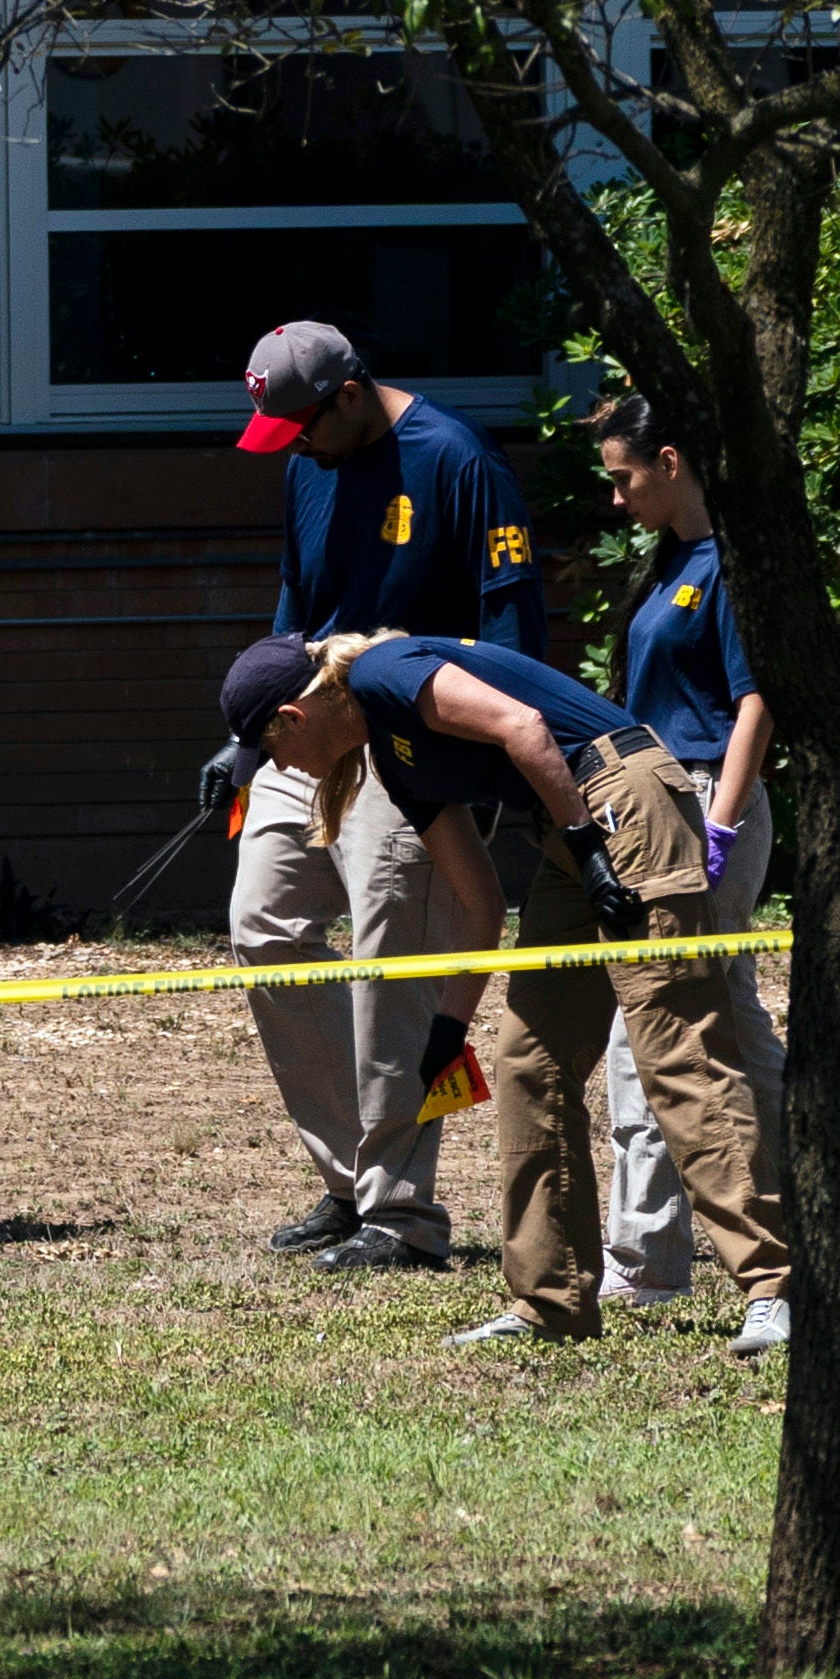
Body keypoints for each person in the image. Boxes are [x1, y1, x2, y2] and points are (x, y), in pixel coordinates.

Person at [215, 621, 793, 1359]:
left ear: (291, 718)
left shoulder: (386, 671)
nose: (280, 767)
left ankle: (775, 1286)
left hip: (624, 798)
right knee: (529, 1062)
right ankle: (551, 1300)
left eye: (270, 750)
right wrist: (449, 1030)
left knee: (676, 1050)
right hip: (574, 824)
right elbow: (481, 901)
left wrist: (590, 849)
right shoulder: (393, 761)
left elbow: (523, 726)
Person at [231, 321, 543, 1277]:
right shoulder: (307, 461)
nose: (295, 449)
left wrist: (488, 767)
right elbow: (296, 597)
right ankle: (351, 1175)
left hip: (410, 734)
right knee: (263, 925)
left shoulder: (457, 459)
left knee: (392, 967)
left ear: (352, 395)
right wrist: (251, 736)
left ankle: (403, 1215)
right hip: (310, 728)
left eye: (303, 428)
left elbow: (510, 624)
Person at [587, 399, 786, 1320]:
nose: (618, 496)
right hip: (654, 801)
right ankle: (806, 1208)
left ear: (670, 461)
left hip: (702, 799)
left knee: (652, 1021)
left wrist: (723, 820)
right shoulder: (669, 562)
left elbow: (756, 703)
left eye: (625, 476)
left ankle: (645, 1258)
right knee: (732, 1026)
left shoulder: (732, 565)